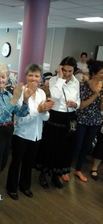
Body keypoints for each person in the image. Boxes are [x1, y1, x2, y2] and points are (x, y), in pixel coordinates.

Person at [0, 62, 37, 213]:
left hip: (7, 131)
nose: (0, 80)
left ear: (7, 78)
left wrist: (24, 99)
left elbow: (21, 113)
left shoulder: (7, 93)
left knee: (3, 164)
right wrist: (14, 99)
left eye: (3, 77)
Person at [6, 63, 54, 200]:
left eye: (37, 76)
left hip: (36, 135)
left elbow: (45, 117)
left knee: (29, 163)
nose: (34, 78)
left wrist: (44, 111)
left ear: (41, 78)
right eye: (31, 75)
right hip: (21, 134)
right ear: (26, 77)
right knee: (16, 162)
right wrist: (38, 111)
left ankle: (25, 186)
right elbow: (20, 119)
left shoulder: (42, 93)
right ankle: (11, 187)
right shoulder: (20, 93)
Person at [36, 56, 80, 189]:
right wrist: (60, 78)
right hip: (55, 116)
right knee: (49, 147)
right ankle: (43, 173)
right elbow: (55, 96)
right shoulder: (54, 80)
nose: (67, 74)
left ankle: (56, 174)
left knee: (63, 149)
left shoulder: (76, 82)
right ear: (60, 68)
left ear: (74, 71)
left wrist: (75, 104)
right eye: (64, 70)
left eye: (70, 71)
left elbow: (78, 99)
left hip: (69, 116)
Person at [72, 60, 103, 181]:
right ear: (94, 73)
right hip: (82, 120)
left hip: (95, 122)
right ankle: (65, 168)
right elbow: (82, 105)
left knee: (87, 146)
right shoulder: (83, 86)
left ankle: (78, 170)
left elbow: (101, 109)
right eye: (101, 72)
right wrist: (95, 94)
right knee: (77, 145)